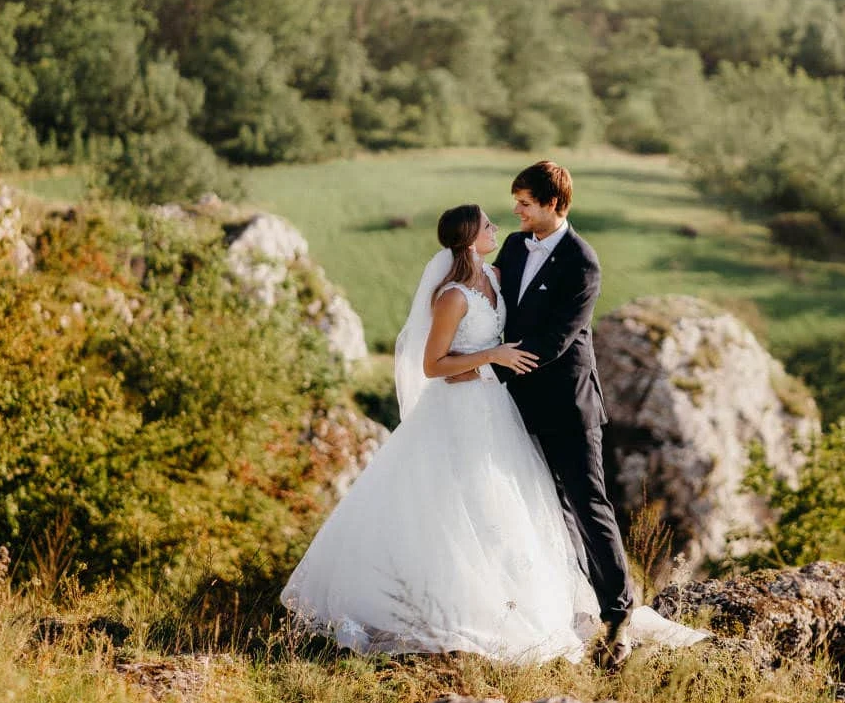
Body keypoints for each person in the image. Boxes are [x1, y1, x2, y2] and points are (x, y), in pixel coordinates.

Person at [281, 202, 704, 664]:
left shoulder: (497, 276)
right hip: (460, 409)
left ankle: (527, 598)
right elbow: (432, 365)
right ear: (468, 238)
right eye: (488, 225)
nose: (499, 227)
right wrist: (493, 358)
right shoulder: (452, 296)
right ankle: (444, 604)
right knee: (457, 506)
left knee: (510, 501)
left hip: (499, 408)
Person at [491, 161, 637, 668]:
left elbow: (554, 342)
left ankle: (618, 615)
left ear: (555, 204)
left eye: (526, 203)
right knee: (526, 503)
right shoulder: (512, 246)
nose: (516, 211)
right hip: (511, 402)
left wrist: (494, 369)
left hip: (566, 404)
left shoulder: (583, 263)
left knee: (587, 504)